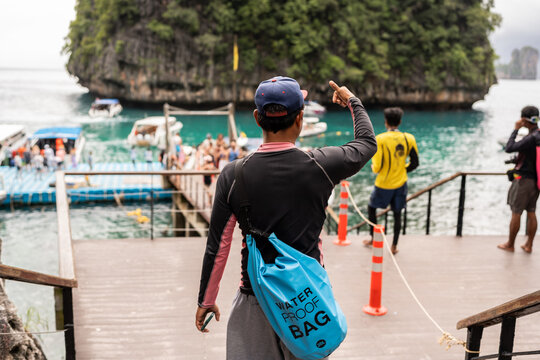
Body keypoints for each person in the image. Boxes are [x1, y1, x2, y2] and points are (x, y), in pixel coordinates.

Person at [195, 76, 377, 359]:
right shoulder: (321, 165)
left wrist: (206, 300)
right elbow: (366, 143)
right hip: (307, 301)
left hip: (254, 299)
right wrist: (352, 101)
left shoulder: (233, 175)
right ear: (300, 118)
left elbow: (218, 246)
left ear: (257, 118)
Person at [363, 107, 419, 255]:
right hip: (401, 183)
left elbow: (377, 167)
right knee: (397, 214)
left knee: (371, 208)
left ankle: (374, 238)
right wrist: (402, 169)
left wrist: (375, 168)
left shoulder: (380, 139)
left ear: (386, 122)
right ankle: (394, 246)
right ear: (400, 122)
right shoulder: (409, 138)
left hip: (383, 183)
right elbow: (415, 163)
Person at [498, 106, 540, 253]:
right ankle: (529, 245)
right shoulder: (538, 136)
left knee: (516, 212)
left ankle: (510, 244)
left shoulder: (530, 137)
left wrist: (515, 129)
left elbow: (509, 147)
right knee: (531, 211)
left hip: (524, 181)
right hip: (536, 181)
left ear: (523, 120)